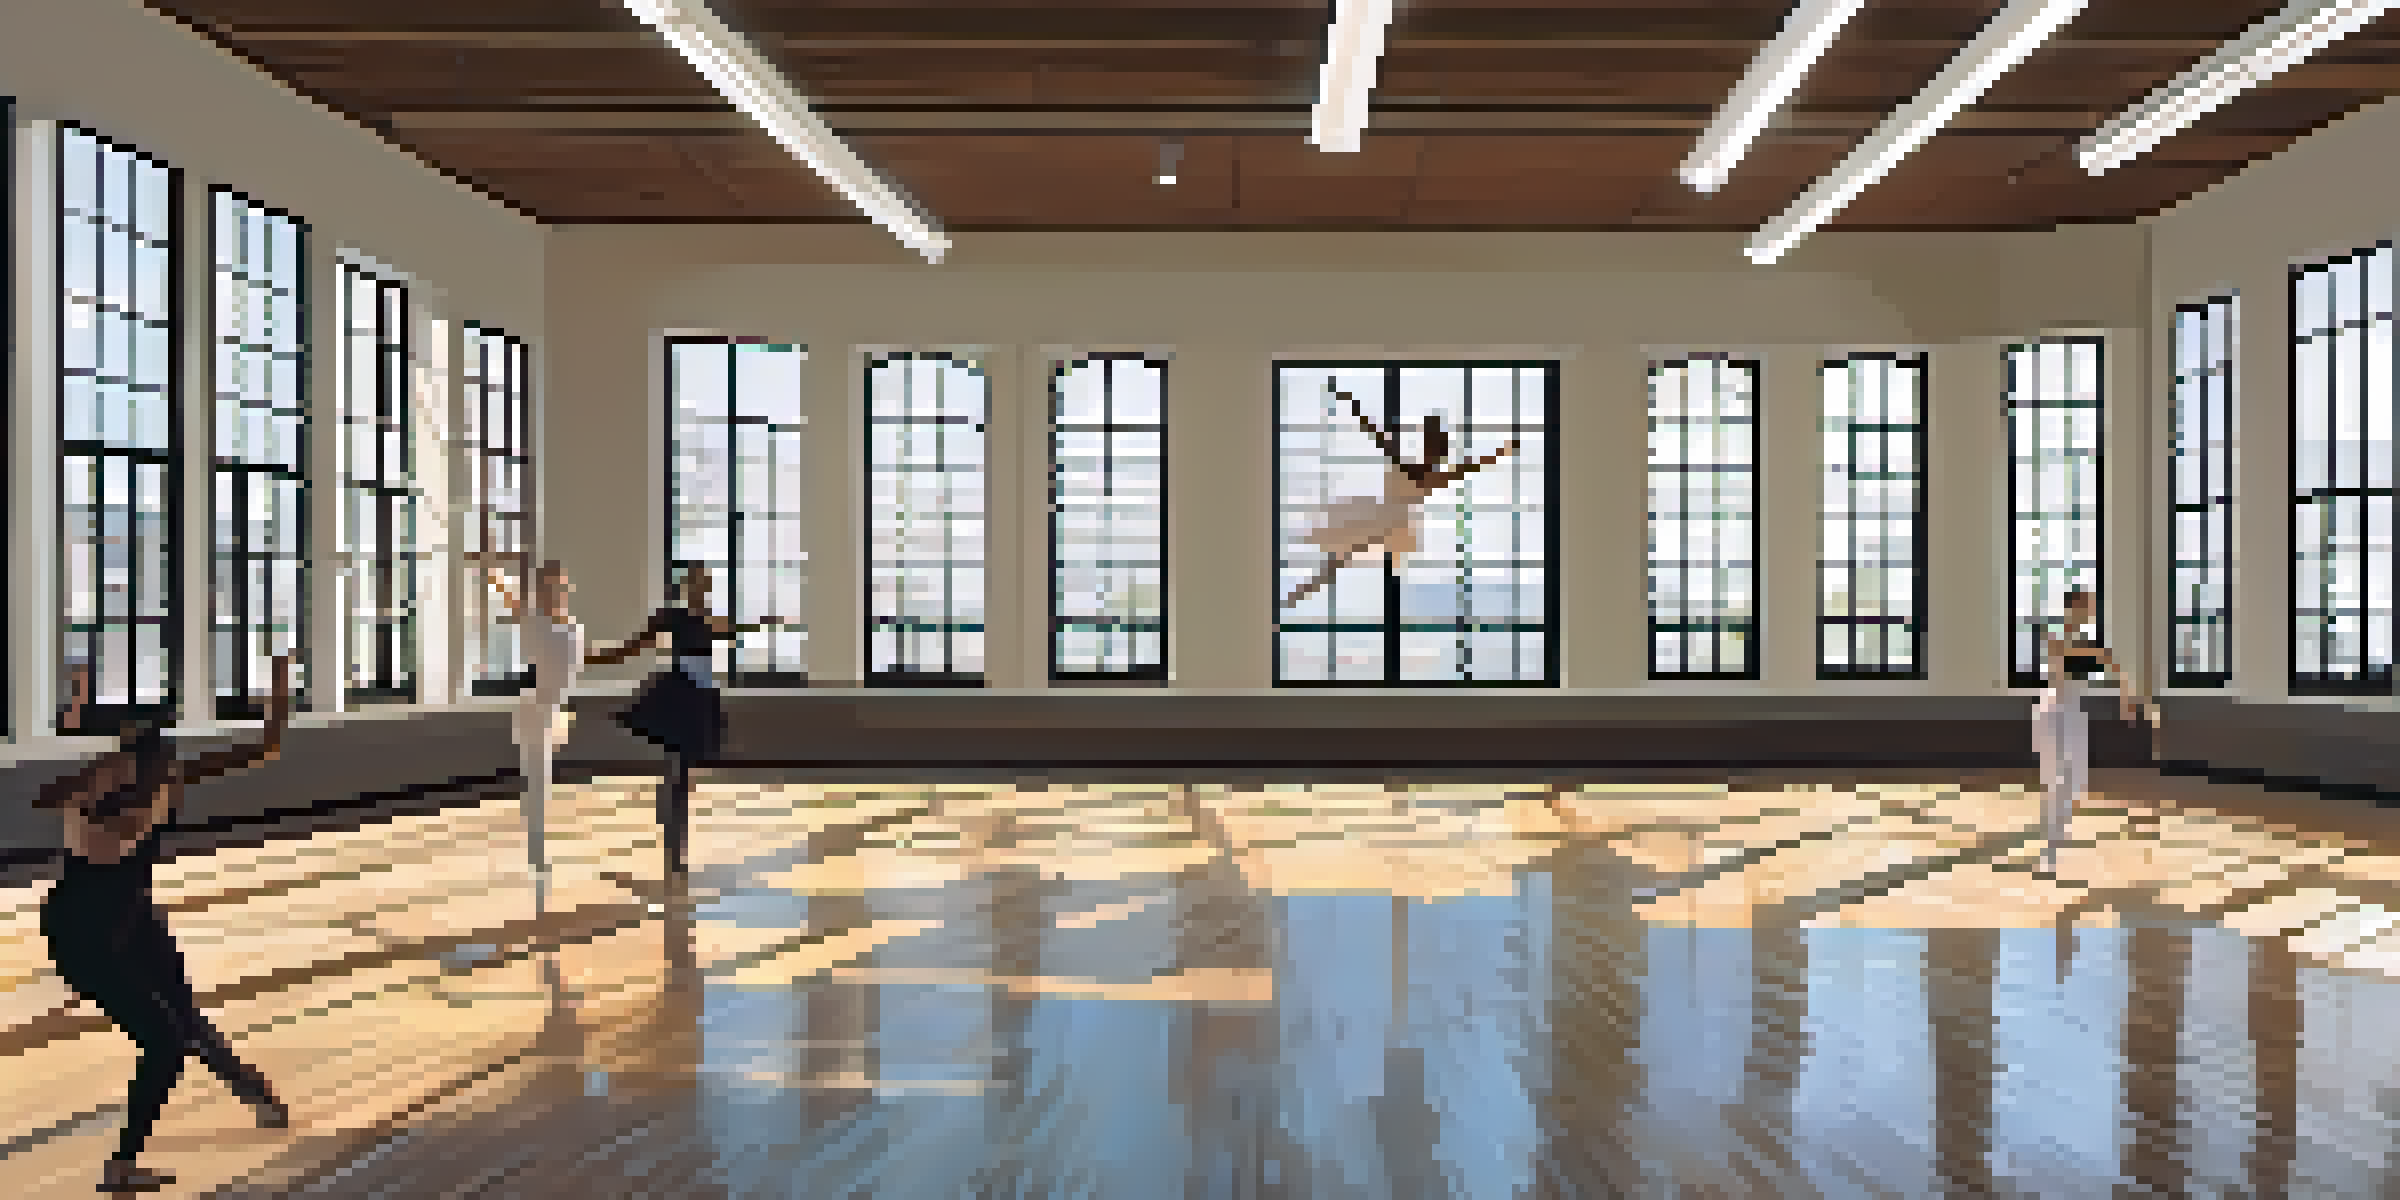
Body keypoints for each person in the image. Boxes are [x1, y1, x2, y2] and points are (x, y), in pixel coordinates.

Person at [37, 656, 295, 1193]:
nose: (170, 765)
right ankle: (123, 1163)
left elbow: (267, 748)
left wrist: (279, 692)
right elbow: (92, 817)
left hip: (130, 918)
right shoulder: (104, 785)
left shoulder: (155, 774)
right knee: (166, 1039)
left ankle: (252, 1090)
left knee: (183, 1013)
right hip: (86, 934)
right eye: (162, 754)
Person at [586, 565, 780, 879]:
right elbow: (629, 649)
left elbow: (732, 629)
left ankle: (676, 837)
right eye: (696, 582)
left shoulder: (710, 619)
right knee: (678, 770)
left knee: (684, 773)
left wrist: (762, 623)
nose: (702, 588)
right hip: (680, 693)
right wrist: (590, 658)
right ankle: (674, 841)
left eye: (706, 583)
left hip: (702, 698)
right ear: (686, 586)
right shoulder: (671, 616)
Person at [1282, 389, 1521, 609]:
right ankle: (1291, 596)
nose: (1433, 454)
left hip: (1391, 524)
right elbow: (1375, 433)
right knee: (1335, 558)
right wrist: (1353, 405)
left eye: (1435, 450)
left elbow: (1473, 465)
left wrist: (1503, 451)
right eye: (1433, 448)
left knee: (1341, 561)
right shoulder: (1412, 467)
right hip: (1382, 518)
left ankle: (1292, 597)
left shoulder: (1425, 473)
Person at [2033, 588, 2160, 878]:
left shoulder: (2090, 642)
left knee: (2075, 781)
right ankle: (2050, 849)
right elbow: (2060, 662)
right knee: (2055, 779)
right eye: (2085, 606)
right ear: (2071, 608)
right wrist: (2095, 654)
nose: (2089, 611)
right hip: (2052, 710)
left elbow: (2115, 669)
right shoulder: (2056, 637)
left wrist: (2128, 699)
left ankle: (2056, 838)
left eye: (2090, 607)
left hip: (2073, 712)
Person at [487, 560, 584, 909]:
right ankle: (537, 854)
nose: (554, 591)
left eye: (558, 584)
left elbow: (575, 665)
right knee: (537, 780)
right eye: (547, 585)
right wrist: (492, 568)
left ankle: (538, 851)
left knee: (542, 780)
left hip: (555, 710)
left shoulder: (572, 624)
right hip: (536, 709)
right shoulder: (536, 621)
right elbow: (509, 597)